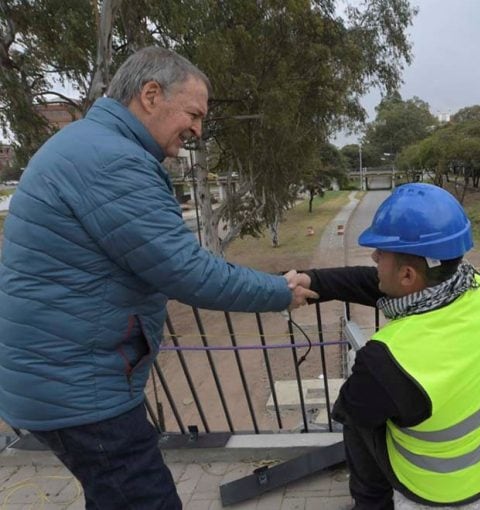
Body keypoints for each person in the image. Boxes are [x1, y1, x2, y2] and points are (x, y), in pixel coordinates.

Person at [0, 47, 316, 509]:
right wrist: (278, 291)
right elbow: (187, 271)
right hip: (80, 388)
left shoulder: (90, 143)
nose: (198, 129)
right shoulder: (112, 161)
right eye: (193, 113)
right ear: (150, 95)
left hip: (58, 377)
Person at [297, 183, 480, 509]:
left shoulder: (387, 359)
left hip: (441, 486)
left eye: (381, 253)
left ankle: (371, 504)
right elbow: (379, 284)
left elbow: (351, 408)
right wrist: (315, 282)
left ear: (406, 276)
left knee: (357, 423)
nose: (374, 257)